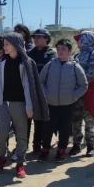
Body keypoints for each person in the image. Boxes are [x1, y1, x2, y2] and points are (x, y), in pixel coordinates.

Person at [0, 33, 48, 178]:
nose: (4, 47)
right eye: (4, 44)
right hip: (4, 103)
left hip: (20, 104)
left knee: (21, 134)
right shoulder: (2, 62)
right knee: (2, 133)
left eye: (7, 44)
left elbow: (29, 86)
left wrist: (29, 106)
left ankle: (20, 164)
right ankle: (2, 157)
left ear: (15, 45)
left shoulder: (26, 62)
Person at [38, 39, 88, 160]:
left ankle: (61, 151)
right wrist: (47, 94)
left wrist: (73, 96)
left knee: (65, 129)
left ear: (70, 51)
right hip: (51, 104)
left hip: (68, 105)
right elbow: (40, 82)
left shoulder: (75, 66)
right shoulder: (50, 65)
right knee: (48, 128)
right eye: (58, 49)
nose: (60, 52)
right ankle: (45, 149)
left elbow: (84, 85)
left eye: (63, 49)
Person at [70, 30, 94, 157]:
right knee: (75, 120)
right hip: (76, 94)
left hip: (88, 92)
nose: (80, 41)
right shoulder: (77, 55)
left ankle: (90, 146)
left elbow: (92, 73)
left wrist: (79, 84)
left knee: (89, 121)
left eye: (83, 39)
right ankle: (76, 145)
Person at [27, 28, 56, 156]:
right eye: (35, 37)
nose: (36, 39)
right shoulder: (30, 53)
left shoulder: (52, 53)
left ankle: (46, 145)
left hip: (48, 92)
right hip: (33, 91)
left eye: (39, 37)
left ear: (46, 38)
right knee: (36, 120)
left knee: (47, 120)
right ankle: (36, 146)